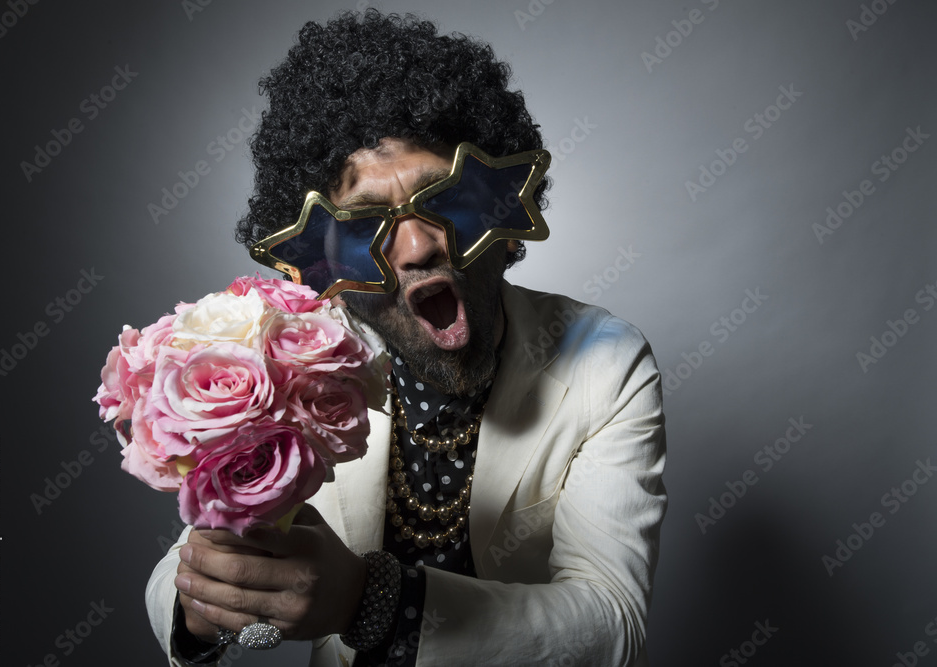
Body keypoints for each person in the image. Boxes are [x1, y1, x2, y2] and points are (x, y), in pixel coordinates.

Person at [146, 9, 666, 666]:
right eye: (367, 229)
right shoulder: (294, 360)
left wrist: (368, 599)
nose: (418, 247)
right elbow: (183, 566)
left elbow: (610, 627)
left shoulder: (607, 363)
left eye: (443, 202)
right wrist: (204, 602)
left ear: (500, 213)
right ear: (326, 262)